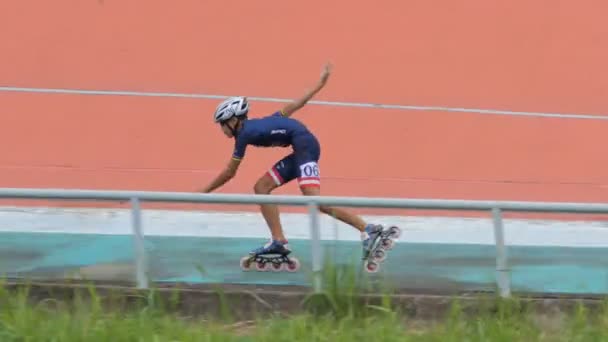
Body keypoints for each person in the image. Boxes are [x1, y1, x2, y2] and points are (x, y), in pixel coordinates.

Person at [199, 62, 384, 259]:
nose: (222, 129)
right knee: (261, 188)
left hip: (305, 148)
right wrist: (319, 84)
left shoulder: (244, 134)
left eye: (222, 124)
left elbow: (230, 172)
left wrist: (202, 193)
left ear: (234, 120)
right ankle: (278, 241)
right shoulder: (262, 124)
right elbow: (295, 105)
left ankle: (368, 229)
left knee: (316, 202)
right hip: (302, 147)